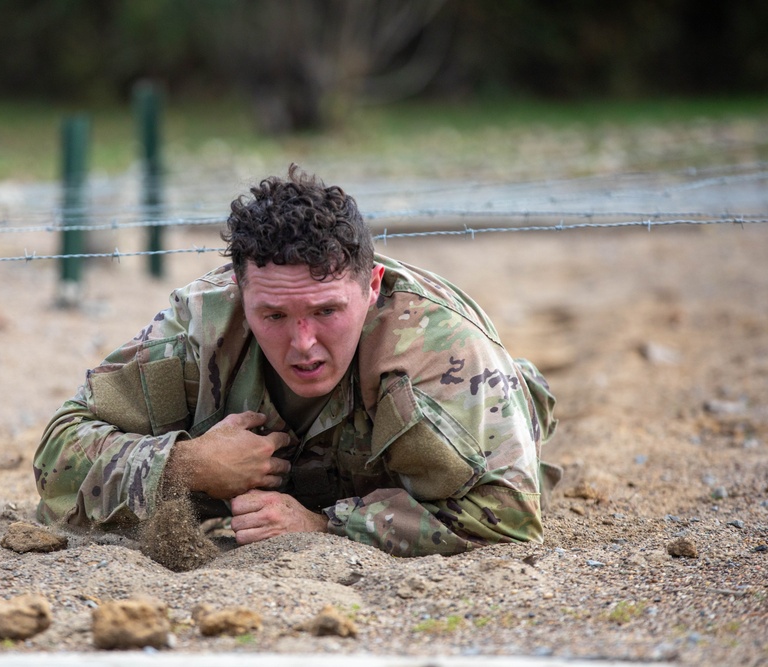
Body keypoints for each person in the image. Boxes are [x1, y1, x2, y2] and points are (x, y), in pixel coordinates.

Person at [33, 165, 557, 557]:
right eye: (275, 315)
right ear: (240, 292)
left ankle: (520, 389)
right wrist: (188, 464)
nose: (303, 343)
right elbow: (59, 449)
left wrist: (324, 525)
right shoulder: (202, 324)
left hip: (472, 407)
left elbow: (511, 514)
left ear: (371, 288)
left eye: (327, 310)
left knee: (501, 426)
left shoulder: (441, 352)